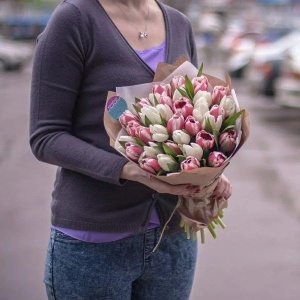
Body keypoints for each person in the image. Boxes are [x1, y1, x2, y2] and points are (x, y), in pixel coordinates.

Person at [29, 0, 232, 299]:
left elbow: (192, 116)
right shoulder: (74, 19)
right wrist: (131, 170)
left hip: (172, 239)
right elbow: (46, 137)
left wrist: (209, 172)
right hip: (94, 245)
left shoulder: (179, 23)